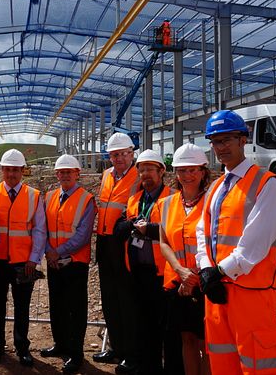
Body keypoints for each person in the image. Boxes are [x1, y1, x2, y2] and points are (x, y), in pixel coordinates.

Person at [196, 110, 276, 374]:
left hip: (250, 294)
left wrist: (218, 271)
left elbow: (254, 244)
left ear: (242, 140)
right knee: (222, 359)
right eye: (215, 142)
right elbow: (204, 231)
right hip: (217, 290)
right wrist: (205, 269)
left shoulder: (267, 184)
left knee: (256, 362)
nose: (220, 148)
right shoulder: (216, 187)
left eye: (226, 140)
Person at [114, 149, 176, 374]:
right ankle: (142, 364)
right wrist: (132, 225)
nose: (145, 174)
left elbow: (177, 231)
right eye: (142, 170)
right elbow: (118, 229)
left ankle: (159, 368)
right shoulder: (134, 199)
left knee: (163, 326)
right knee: (140, 321)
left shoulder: (172, 198)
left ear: (162, 171)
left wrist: (148, 229)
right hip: (137, 271)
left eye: (150, 169)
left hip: (161, 273)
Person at [0, 149, 46, 367]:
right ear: (2, 170)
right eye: (8, 169)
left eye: (16, 170)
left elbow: (39, 230)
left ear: (23, 171)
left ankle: (22, 348)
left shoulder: (34, 195)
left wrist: (34, 259)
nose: (12, 174)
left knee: (22, 307)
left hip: (24, 262)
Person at [157, 144, 212, 375]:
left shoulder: (213, 202)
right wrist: (180, 271)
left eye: (193, 170)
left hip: (206, 283)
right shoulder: (167, 203)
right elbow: (163, 242)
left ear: (202, 172)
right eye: (182, 170)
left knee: (207, 344)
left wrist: (194, 277)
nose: (187, 176)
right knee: (186, 339)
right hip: (177, 284)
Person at [40, 154, 96, 374]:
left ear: (77, 174)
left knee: (76, 309)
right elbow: (42, 228)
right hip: (55, 263)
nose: (64, 175)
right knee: (57, 306)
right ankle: (60, 344)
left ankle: (76, 353)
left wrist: (57, 252)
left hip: (74, 263)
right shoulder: (51, 196)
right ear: (56, 174)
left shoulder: (86, 199)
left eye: (68, 172)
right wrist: (48, 251)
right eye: (61, 172)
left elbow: (82, 236)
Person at [94, 132, 141, 370]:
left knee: (126, 301)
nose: (119, 158)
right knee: (110, 299)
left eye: (123, 154)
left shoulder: (138, 177)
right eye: (115, 155)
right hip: (104, 243)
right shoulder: (106, 176)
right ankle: (115, 347)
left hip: (124, 245)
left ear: (132, 154)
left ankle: (130, 354)